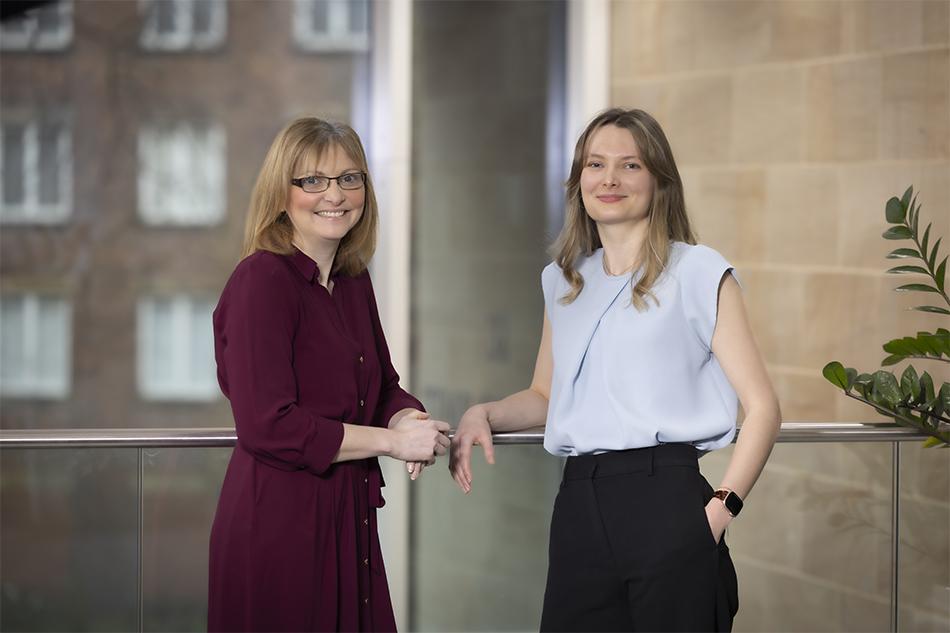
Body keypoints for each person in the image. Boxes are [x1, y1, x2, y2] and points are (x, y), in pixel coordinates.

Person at [450, 108, 782, 632]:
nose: (609, 179)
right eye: (595, 164)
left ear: (658, 180)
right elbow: (545, 394)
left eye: (629, 166)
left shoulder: (698, 271)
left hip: (667, 500)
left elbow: (763, 408)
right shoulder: (563, 282)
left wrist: (720, 509)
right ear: (578, 179)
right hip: (580, 503)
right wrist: (482, 413)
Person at [208, 117, 450, 632]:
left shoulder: (351, 281)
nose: (334, 194)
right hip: (279, 527)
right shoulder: (261, 282)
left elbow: (383, 385)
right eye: (312, 180)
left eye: (349, 178)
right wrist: (390, 442)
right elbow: (267, 424)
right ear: (282, 193)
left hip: (348, 519)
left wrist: (407, 417)